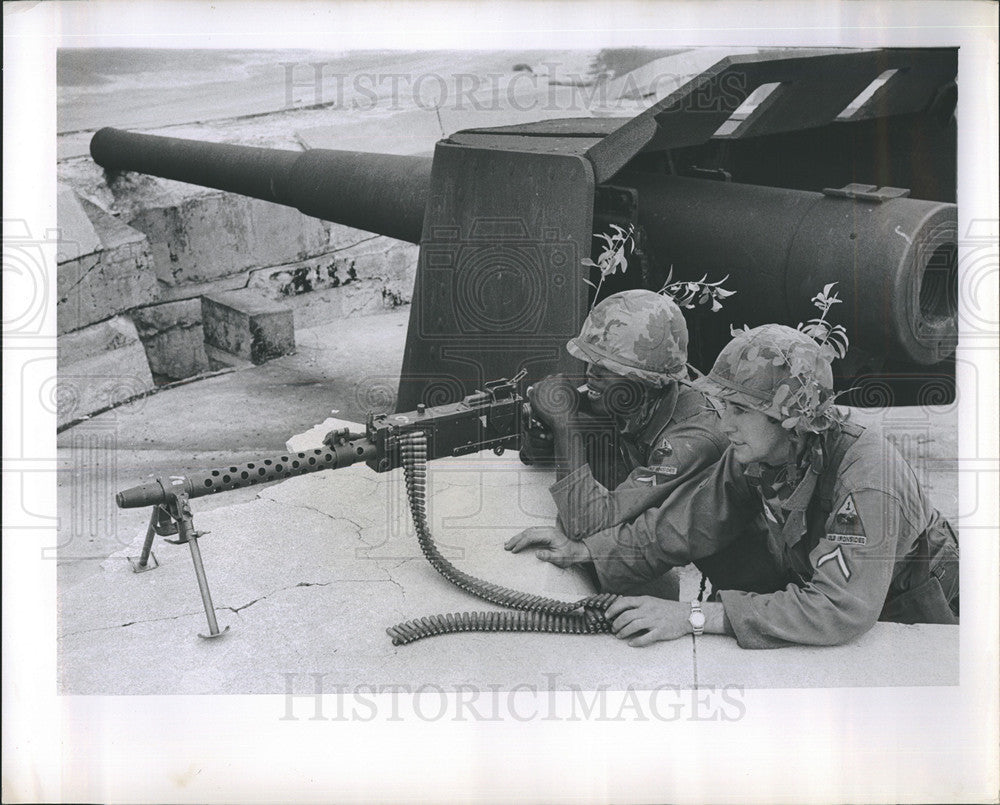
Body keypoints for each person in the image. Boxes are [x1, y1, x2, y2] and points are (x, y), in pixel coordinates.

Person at [510, 323, 959, 648]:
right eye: (723, 407)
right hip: (850, 602)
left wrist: (695, 616)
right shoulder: (759, 452)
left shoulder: (867, 477)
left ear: (791, 420)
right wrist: (590, 550)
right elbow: (689, 522)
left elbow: (840, 608)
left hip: (917, 612)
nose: (725, 425)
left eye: (740, 411)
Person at [506, 289, 786, 597]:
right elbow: (537, 457)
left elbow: (586, 528)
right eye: (591, 362)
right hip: (658, 559)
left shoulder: (694, 438)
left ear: (648, 379)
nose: (591, 373)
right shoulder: (631, 401)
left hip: (756, 595)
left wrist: (565, 424)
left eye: (608, 369)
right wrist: (541, 435)